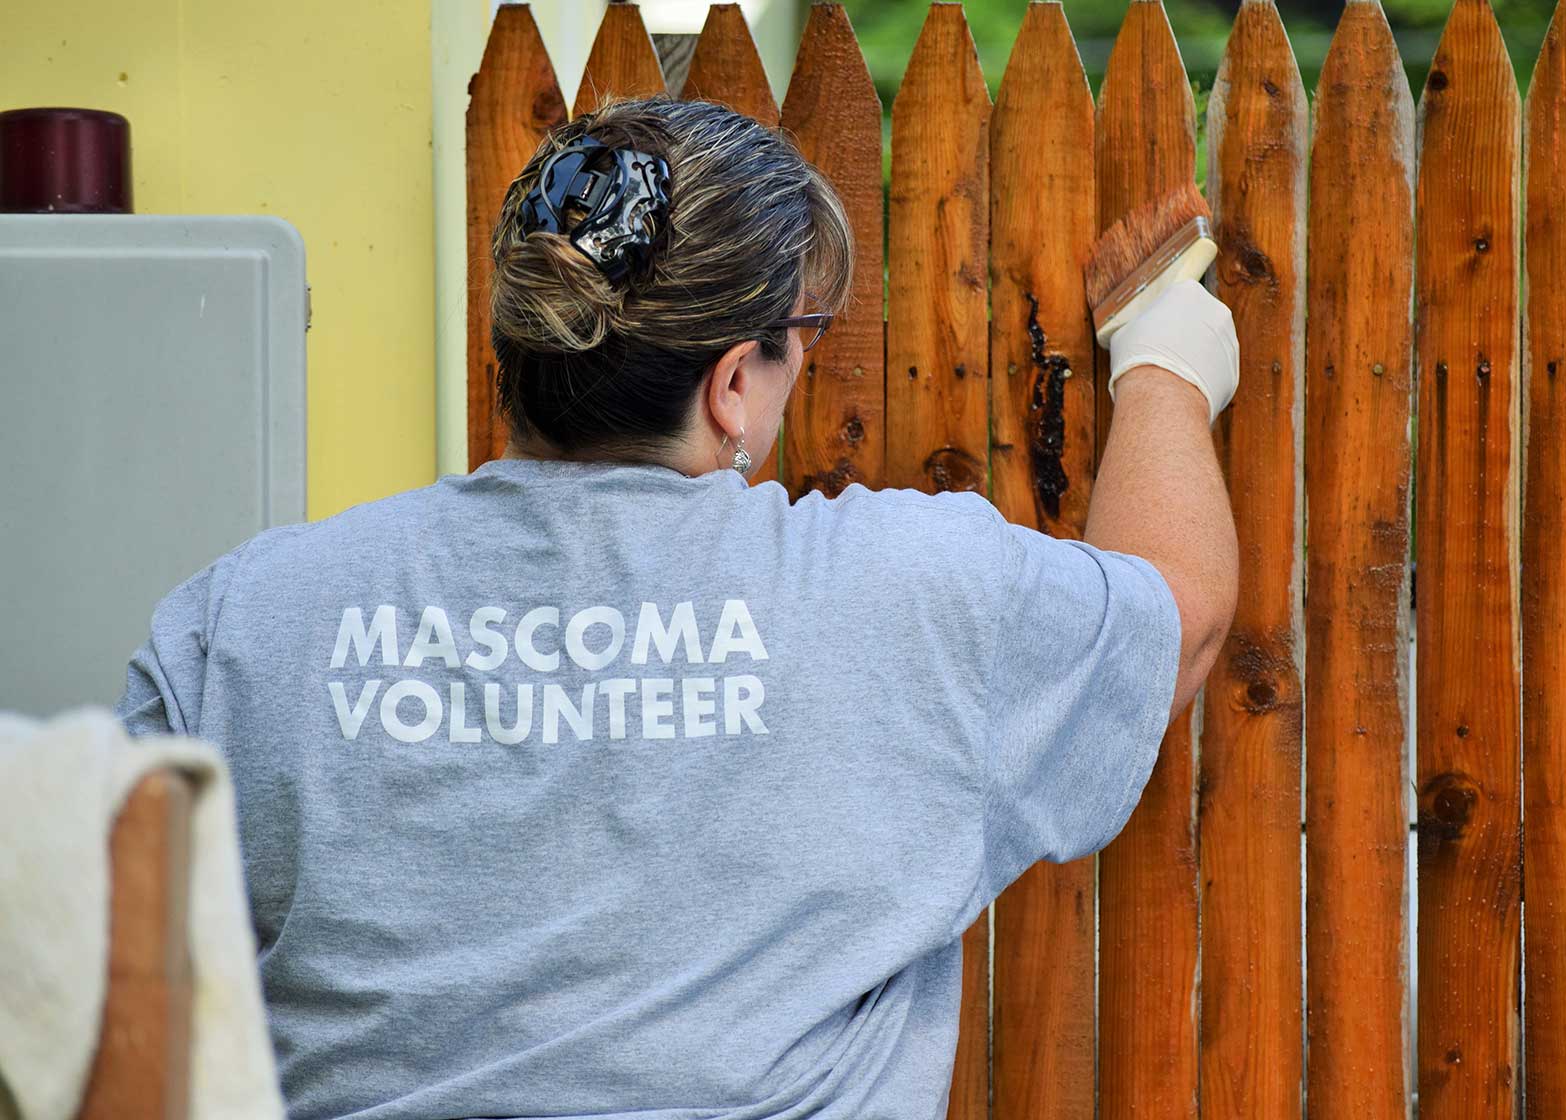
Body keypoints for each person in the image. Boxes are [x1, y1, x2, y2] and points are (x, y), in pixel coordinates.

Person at [116, 96, 1239, 1119]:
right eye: (804, 340)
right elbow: (1177, 614)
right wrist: (1165, 364)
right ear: (732, 385)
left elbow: (97, 1001)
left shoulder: (249, 620)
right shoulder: (905, 594)